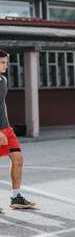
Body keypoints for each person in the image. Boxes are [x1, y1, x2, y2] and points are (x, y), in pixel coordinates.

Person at [0, 50, 35, 211]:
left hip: (6, 128)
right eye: (2, 63)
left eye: (6, 62)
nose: (5, 66)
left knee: (18, 159)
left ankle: (16, 197)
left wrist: (7, 124)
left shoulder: (3, 79)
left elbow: (3, 103)